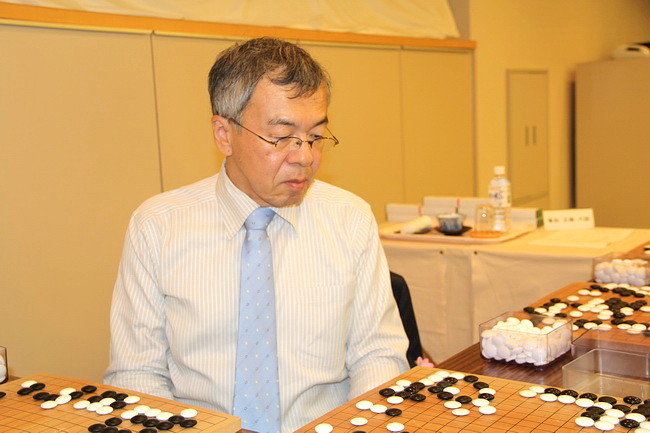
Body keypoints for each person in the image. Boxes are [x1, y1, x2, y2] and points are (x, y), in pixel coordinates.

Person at [104, 37, 409, 433]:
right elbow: (137, 374)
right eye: (281, 137)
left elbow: (378, 355)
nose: (304, 156)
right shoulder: (158, 226)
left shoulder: (350, 219)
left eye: (316, 136)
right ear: (224, 134)